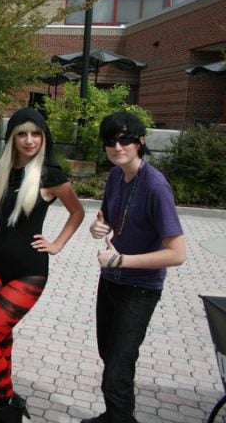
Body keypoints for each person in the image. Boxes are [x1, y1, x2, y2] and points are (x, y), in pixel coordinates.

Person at [0, 108, 84, 423]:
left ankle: (7, 400)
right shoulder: (2, 171)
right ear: (12, 138)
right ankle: (4, 403)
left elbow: (77, 212)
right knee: (2, 336)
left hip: (29, 272)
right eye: (22, 133)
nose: (29, 140)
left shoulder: (51, 176)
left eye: (36, 134)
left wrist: (57, 244)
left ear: (44, 137)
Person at [82, 112, 186, 423]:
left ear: (141, 141)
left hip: (140, 288)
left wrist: (122, 261)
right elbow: (108, 218)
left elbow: (177, 253)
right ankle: (114, 416)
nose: (117, 146)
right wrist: (98, 228)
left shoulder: (156, 186)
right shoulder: (115, 176)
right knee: (109, 355)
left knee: (118, 367)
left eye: (125, 139)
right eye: (110, 141)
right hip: (111, 280)